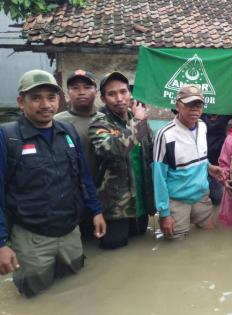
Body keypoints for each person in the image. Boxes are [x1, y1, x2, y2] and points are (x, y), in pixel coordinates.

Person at [0, 70, 106, 297]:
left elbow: (83, 177)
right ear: (21, 102)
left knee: (76, 287)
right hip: (31, 237)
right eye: (36, 98)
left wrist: (96, 211)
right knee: (34, 295)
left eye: (51, 97)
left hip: (69, 232)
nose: (45, 104)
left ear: (59, 100)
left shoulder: (67, 131)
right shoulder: (8, 137)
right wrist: (1, 244)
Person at [89, 72, 154, 249]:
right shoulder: (99, 123)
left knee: (141, 249)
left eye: (123, 92)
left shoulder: (137, 120)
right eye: (112, 94)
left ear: (129, 93)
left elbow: (150, 152)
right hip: (115, 209)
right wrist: (138, 122)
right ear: (103, 98)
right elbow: (113, 150)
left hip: (140, 203)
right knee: (114, 252)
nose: (119, 98)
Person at [152, 84, 226, 240]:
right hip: (177, 201)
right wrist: (164, 213)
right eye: (189, 104)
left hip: (201, 196)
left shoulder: (203, 127)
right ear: (178, 105)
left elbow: (199, 157)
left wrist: (210, 168)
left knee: (209, 237)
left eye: (198, 104)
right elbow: (159, 177)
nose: (195, 108)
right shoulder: (165, 135)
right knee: (176, 245)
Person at [54, 69, 105, 238]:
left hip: (102, 195)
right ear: (67, 92)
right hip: (71, 196)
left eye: (87, 87)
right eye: (75, 88)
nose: (81, 92)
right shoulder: (57, 122)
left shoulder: (105, 120)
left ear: (96, 91)